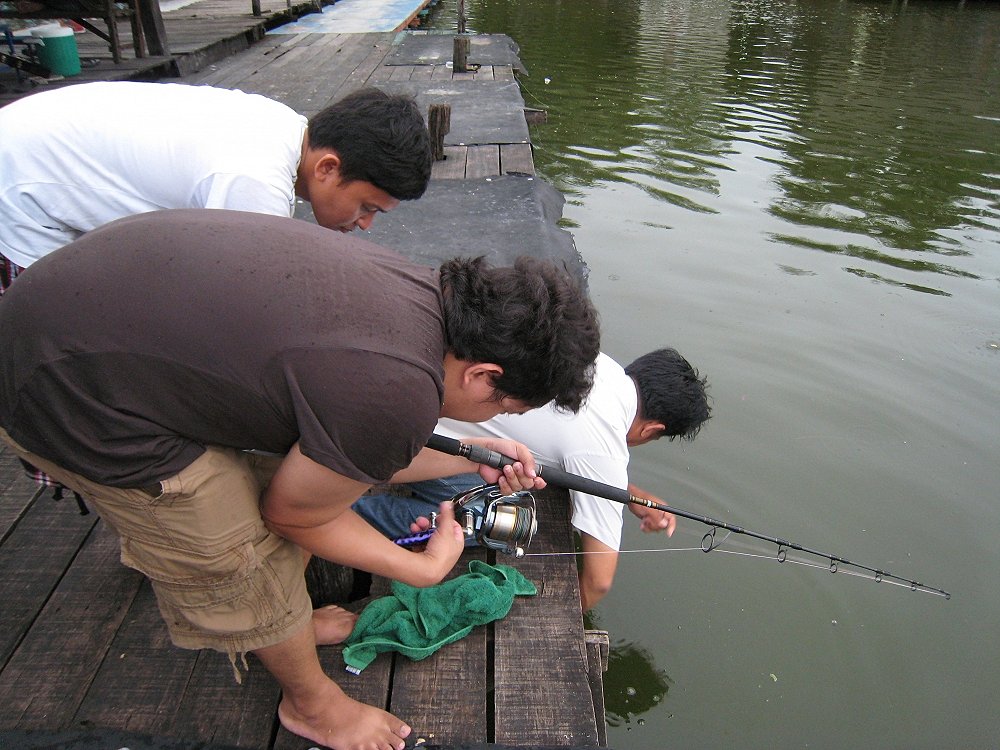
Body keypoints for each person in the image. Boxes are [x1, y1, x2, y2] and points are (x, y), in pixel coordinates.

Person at [0, 208, 600, 750]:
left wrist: (473, 453)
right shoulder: (394, 389)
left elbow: (354, 449)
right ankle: (312, 707)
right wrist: (420, 568)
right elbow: (289, 514)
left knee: (279, 490)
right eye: (511, 409)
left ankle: (262, 609)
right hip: (60, 393)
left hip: (66, 314)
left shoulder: (417, 291)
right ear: (484, 374)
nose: (501, 420)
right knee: (241, 549)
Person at [354, 349, 711, 611]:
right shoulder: (604, 451)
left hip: (421, 417)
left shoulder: (599, 364)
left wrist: (628, 495)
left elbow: (571, 451)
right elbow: (599, 582)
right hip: (425, 451)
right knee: (506, 522)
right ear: (653, 429)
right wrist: (567, 622)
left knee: (520, 489)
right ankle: (356, 516)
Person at [0, 81, 432, 292]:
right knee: (53, 350)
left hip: (37, 143)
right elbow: (246, 295)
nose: (365, 225)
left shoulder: (283, 128)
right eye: (365, 207)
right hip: (21, 188)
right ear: (328, 168)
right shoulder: (253, 179)